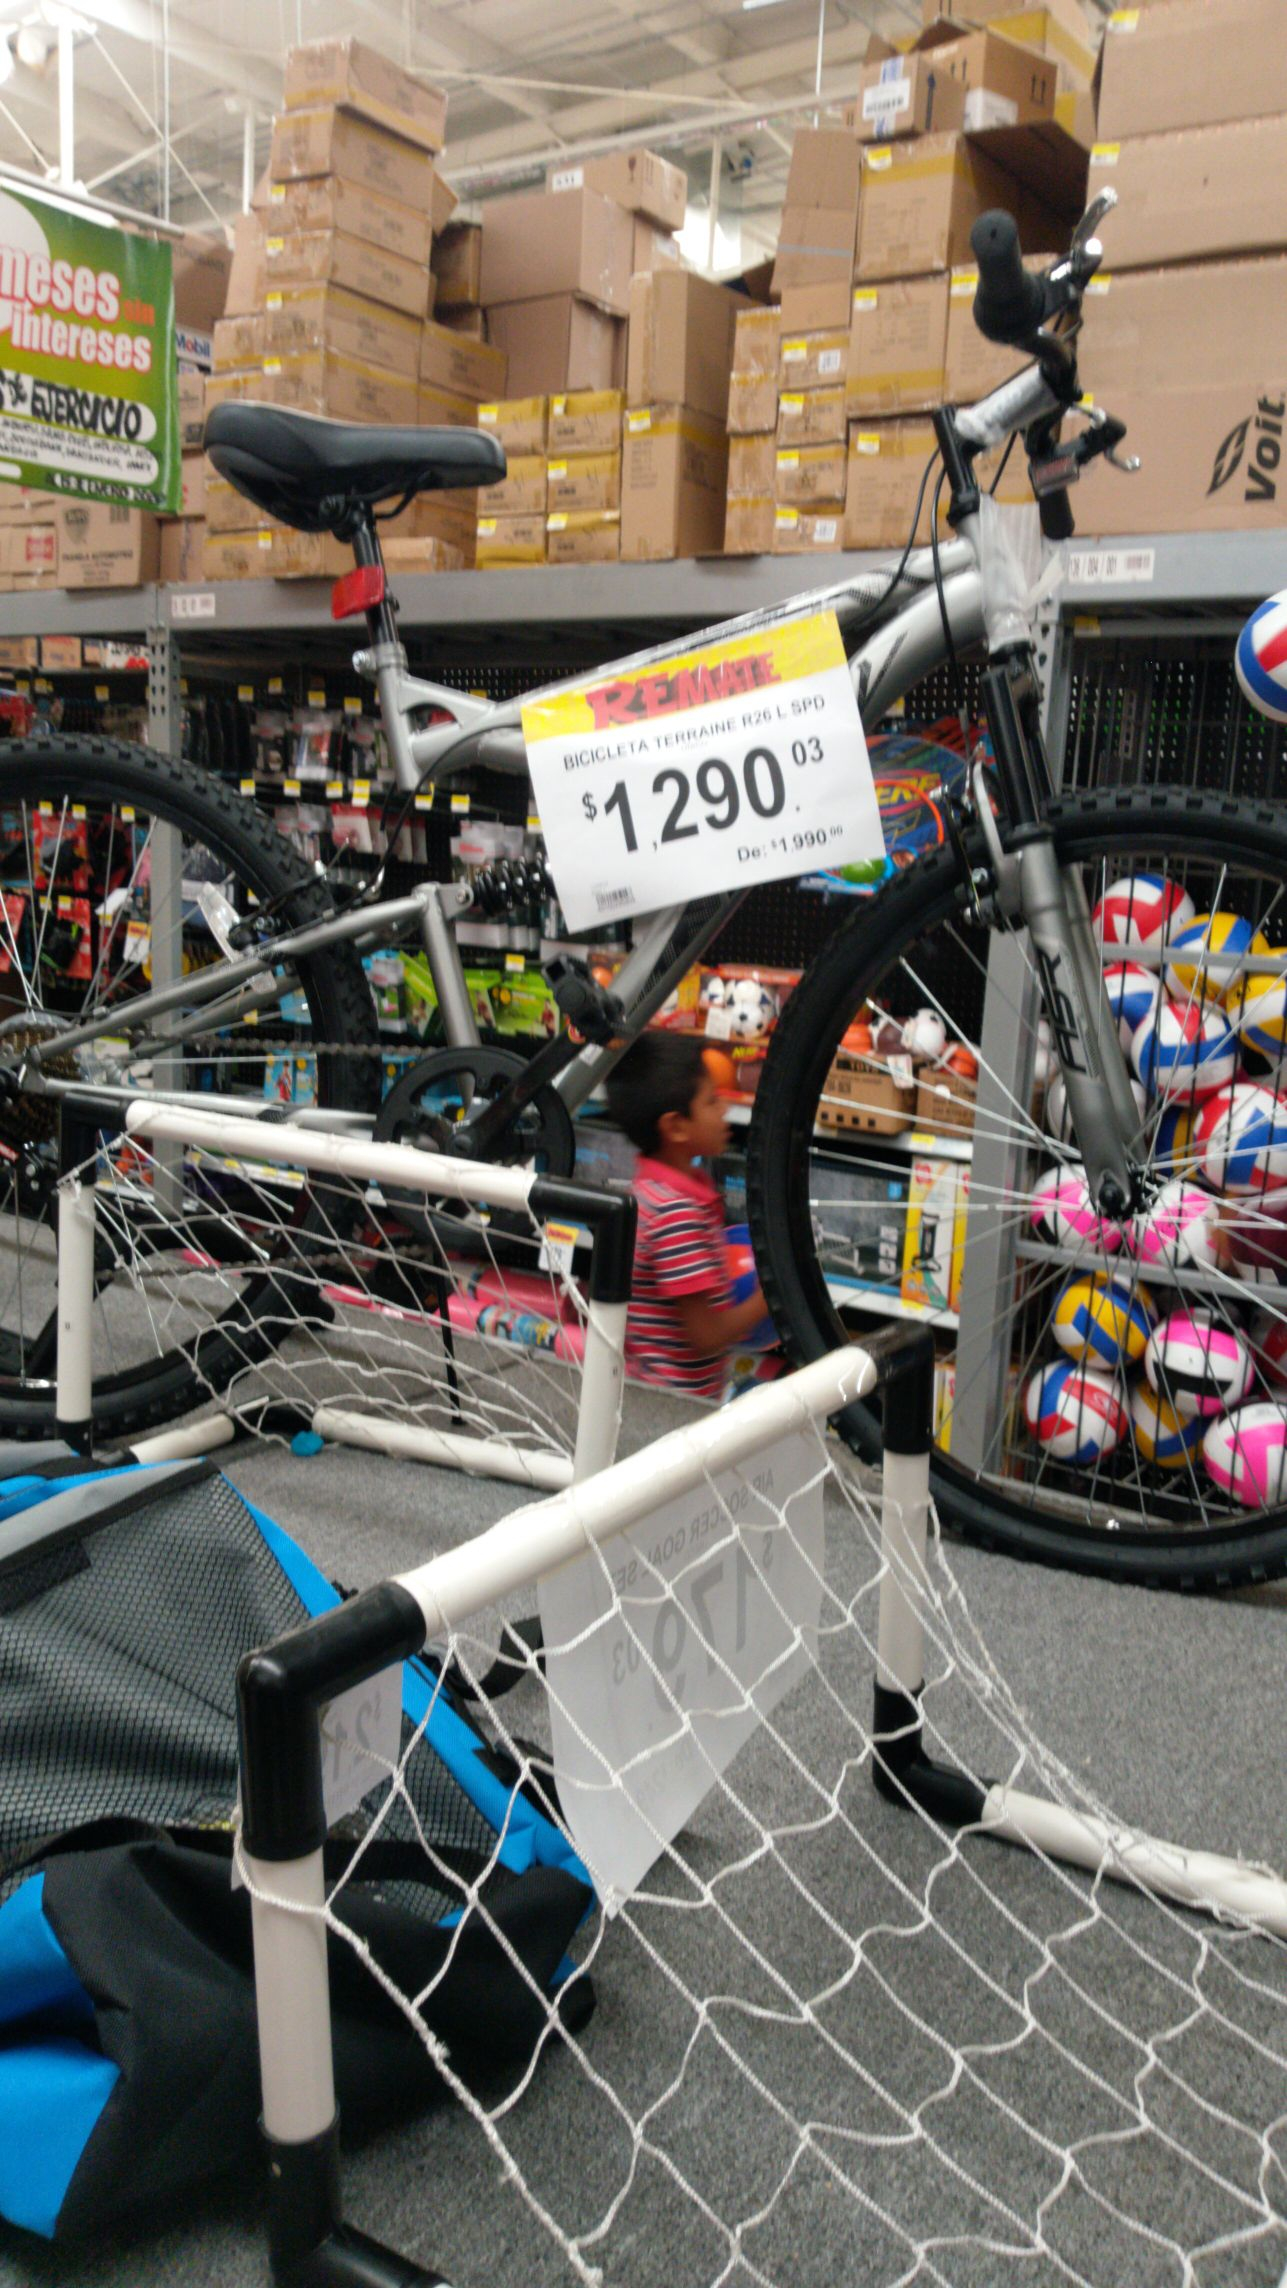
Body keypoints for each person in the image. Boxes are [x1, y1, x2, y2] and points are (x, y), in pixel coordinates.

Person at [604, 1032, 770, 1399]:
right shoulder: (675, 1213)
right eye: (712, 1101)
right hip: (670, 1409)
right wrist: (770, 1296)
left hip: (665, 1394)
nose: (724, 1109)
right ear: (676, 1126)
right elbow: (706, 1338)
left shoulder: (658, 1189)